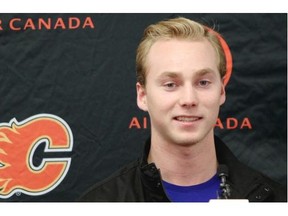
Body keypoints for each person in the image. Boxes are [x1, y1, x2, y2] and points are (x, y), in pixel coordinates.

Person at [79, 17, 287, 202]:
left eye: (203, 82)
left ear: (221, 91)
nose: (189, 100)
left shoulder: (274, 200)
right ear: (142, 96)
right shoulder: (100, 204)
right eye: (170, 84)